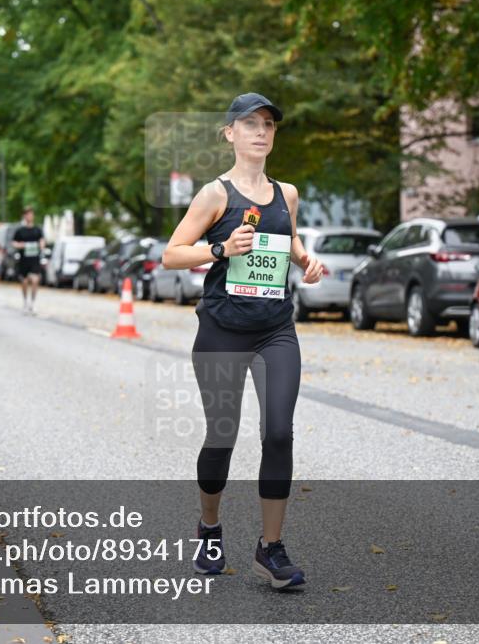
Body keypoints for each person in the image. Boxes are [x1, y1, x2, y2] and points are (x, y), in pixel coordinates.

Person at [161, 93, 323, 590]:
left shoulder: (287, 193)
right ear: (229, 133)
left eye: (269, 124)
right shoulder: (215, 195)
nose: (261, 131)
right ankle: (209, 527)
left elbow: (287, 238)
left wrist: (306, 261)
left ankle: (269, 549)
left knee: (278, 432)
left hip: (276, 328)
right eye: (250, 123)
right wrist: (219, 247)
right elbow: (171, 255)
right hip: (222, 331)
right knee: (223, 437)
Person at [12, 207, 45, 314]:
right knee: (25, 282)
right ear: (25, 216)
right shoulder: (20, 231)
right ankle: (25, 301)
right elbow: (14, 243)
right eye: (27, 214)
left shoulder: (38, 229)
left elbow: (42, 240)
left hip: (35, 259)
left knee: (35, 280)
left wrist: (41, 245)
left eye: (31, 214)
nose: (29, 216)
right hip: (24, 260)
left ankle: (33, 303)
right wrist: (22, 245)